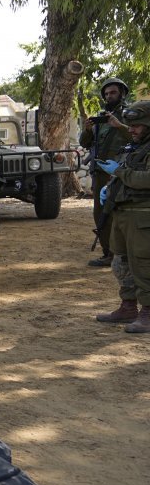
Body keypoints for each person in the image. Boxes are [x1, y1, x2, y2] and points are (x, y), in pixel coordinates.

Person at [93, 101, 150, 333]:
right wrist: (110, 187)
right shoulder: (134, 147)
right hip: (123, 213)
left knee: (143, 265)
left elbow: (145, 179)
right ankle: (128, 306)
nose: (132, 129)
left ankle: (148, 311)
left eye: (137, 126)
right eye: (131, 125)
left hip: (143, 215)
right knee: (121, 262)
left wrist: (118, 171)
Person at [80, 76, 132, 266]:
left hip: (123, 171)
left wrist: (119, 125)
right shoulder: (101, 118)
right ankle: (108, 252)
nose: (109, 96)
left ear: (122, 94)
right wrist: (87, 130)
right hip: (102, 173)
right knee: (101, 212)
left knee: (121, 212)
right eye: (107, 94)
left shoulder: (130, 115)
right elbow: (84, 143)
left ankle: (122, 253)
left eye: (113, 93)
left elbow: (139, 137)